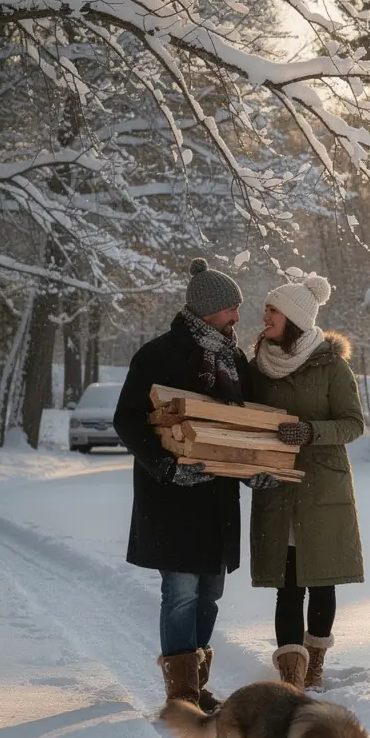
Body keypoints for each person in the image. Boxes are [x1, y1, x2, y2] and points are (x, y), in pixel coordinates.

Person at [114, 257, 277, 710]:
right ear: (207, 310)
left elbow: (239, 430)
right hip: (172, 499)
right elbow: (126, 420)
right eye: (231, 309)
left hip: (217, 499)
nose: (237, 318)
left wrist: (253, 471)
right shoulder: (158, 355)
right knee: (181, 592)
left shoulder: (234, 360)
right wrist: (166, 468)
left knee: (210, 592)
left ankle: (197, 684)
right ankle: (182, 694)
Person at [248, 273, 365, 691]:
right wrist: (250, 467)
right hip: (278, 489)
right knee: (288, 585)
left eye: (273, 310)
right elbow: (245, 419)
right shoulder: (257, 365)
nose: (265, 316)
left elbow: (354, 424)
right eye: (266, 308)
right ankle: (291, 673)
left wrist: (311, 431)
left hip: (323, 490)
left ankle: (314, 664)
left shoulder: (331, 365)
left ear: (295, 317)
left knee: (321, 579)